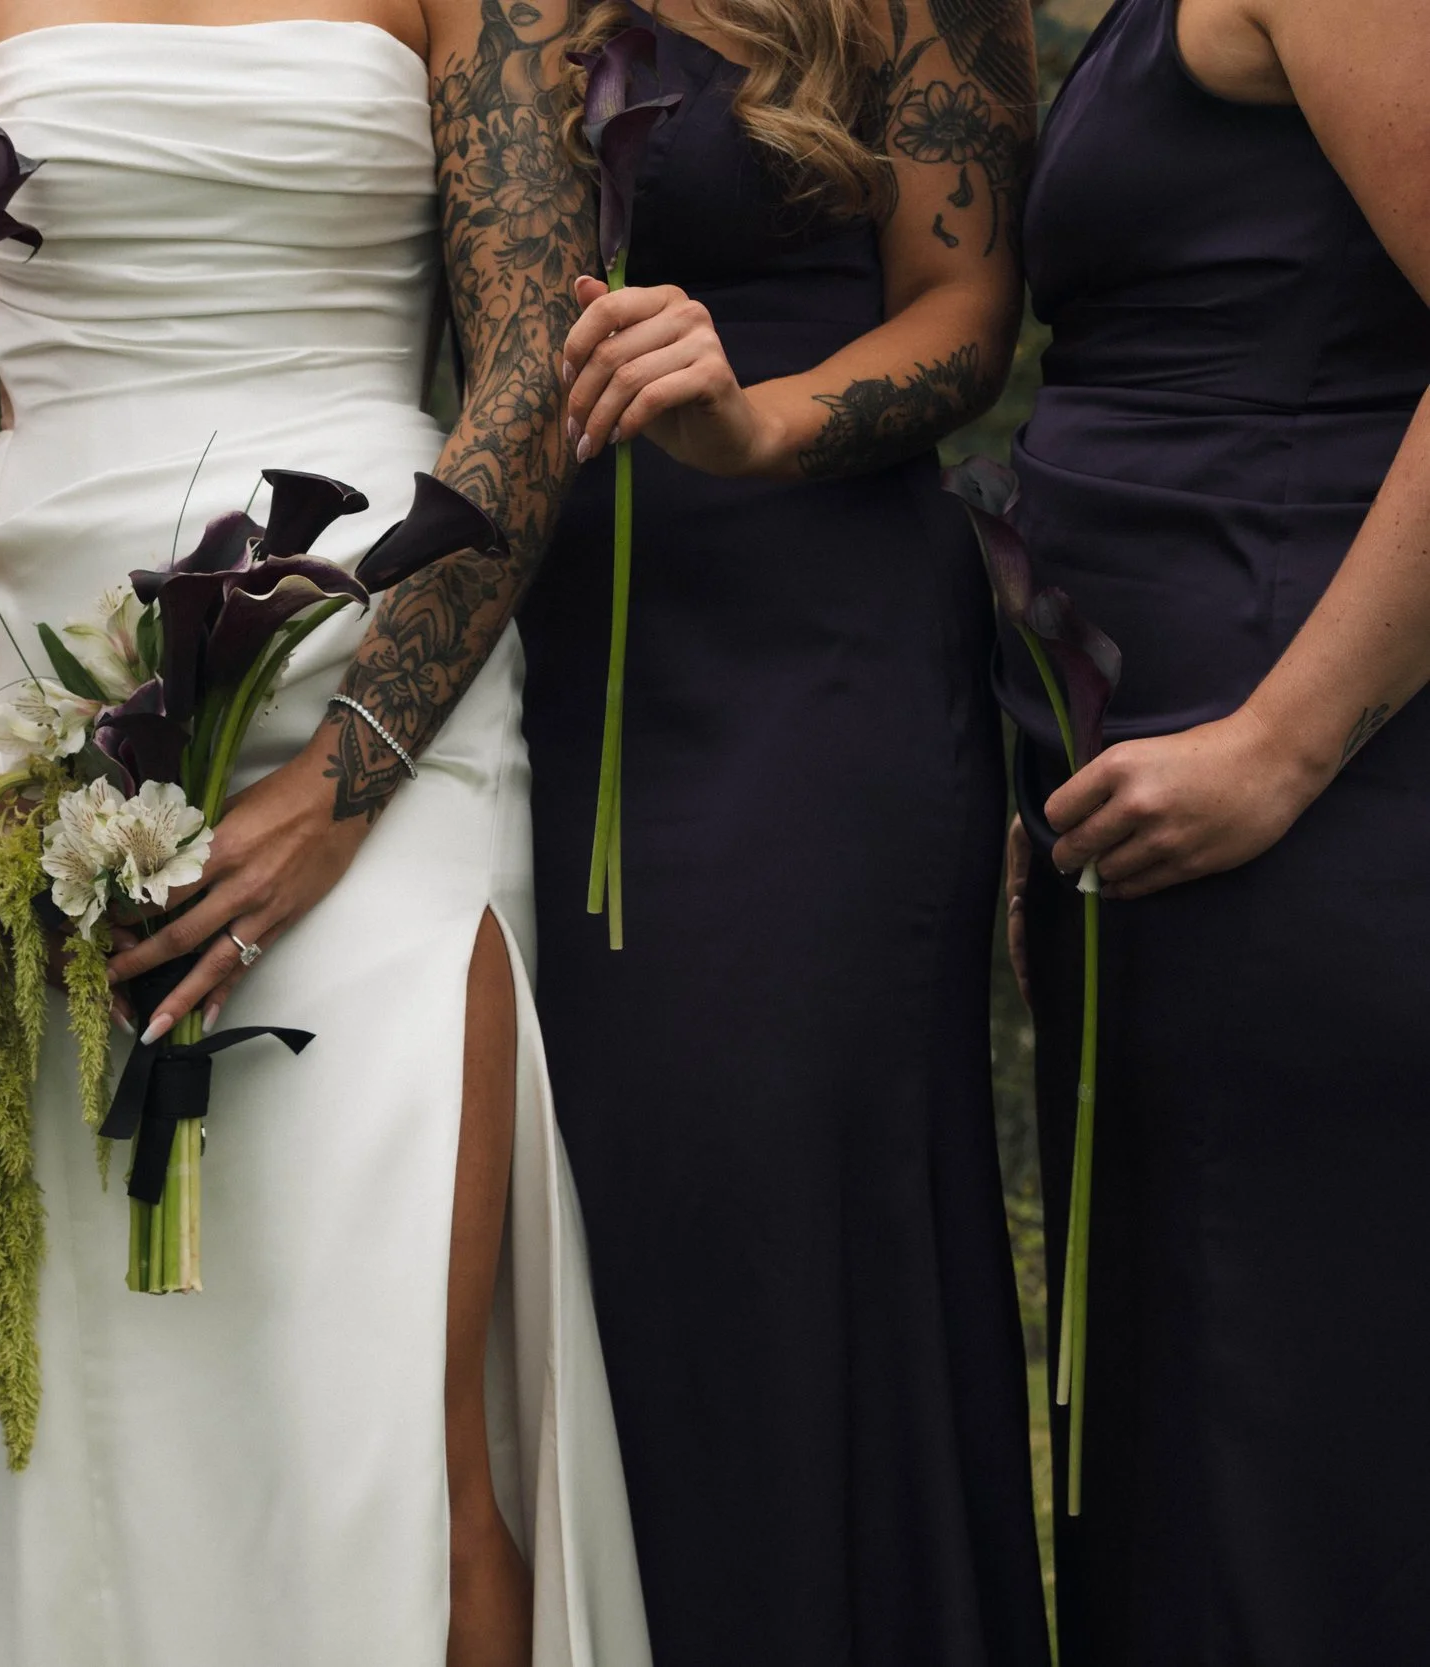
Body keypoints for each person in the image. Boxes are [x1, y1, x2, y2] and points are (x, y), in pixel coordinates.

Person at [0, 3, 649, 1664]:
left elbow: (526, 355)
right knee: (92, 1402)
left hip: (391, 678)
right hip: (50, 715)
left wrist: (353, 768)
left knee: (405, 1412)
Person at [520, 2, 1050, 1661]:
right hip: (552, 640)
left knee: (778, 1229)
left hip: (815, 651)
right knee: (594, 1227)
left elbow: (965, 312)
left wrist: (751, 423)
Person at [1005, 0, 1430, 1656]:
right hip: (1165, 813)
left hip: (1306, 786)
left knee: (1287, 1427)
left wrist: (1284, 742)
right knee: (1185, 1406)